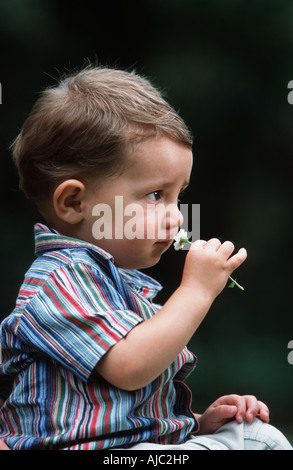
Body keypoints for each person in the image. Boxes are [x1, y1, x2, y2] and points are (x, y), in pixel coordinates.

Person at [0, 66, 291, 450]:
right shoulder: (61, 280)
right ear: (74, 202)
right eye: (155, 195)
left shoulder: (115, 282)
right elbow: (131, 367)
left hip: (135, 449)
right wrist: (197, 290)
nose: (176, 217)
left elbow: (124, 410)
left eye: (178, 197)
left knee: (259, 436)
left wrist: (197, 422)